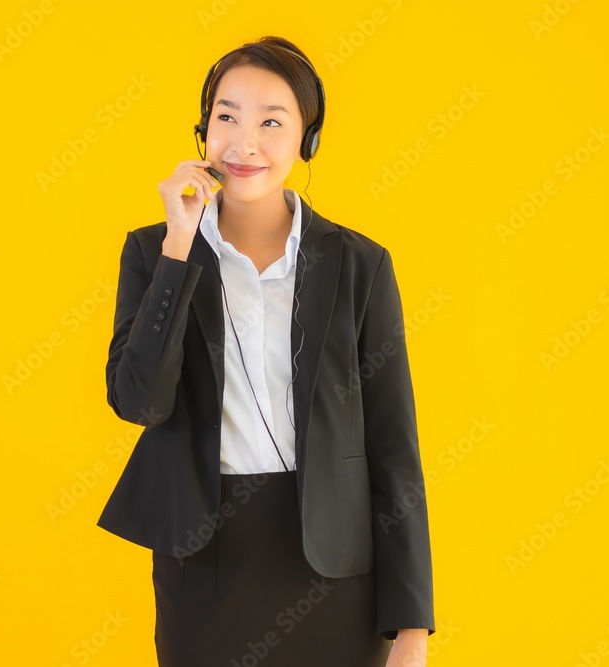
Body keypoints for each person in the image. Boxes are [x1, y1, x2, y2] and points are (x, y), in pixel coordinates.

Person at [98, 35, 435, 667]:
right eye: (226, 117)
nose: (244, 143)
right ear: (202, 131)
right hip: (204, 563)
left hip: (337, 568)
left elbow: (395, 450)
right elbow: (139, 402)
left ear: (308, 139)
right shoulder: (153, 252)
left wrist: (412, 626)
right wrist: (179, 247)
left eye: (271, 122)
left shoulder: (359, 265)